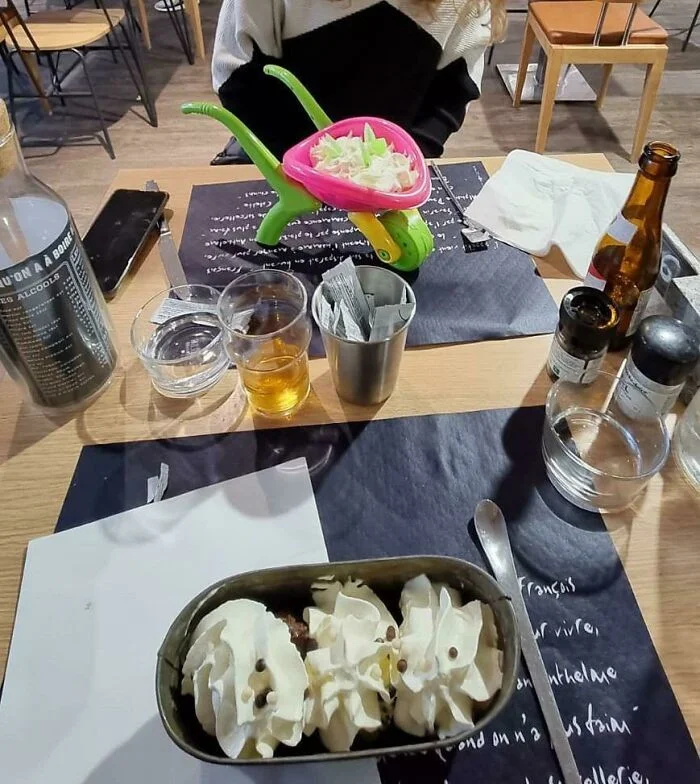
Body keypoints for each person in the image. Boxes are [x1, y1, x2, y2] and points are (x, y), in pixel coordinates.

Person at [210, 0, 505, 165]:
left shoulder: (464, 4)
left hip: (389, 166)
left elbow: (451, 92)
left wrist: (400, 164)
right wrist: (309, 165)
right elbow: (237, 76)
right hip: (274, 153)